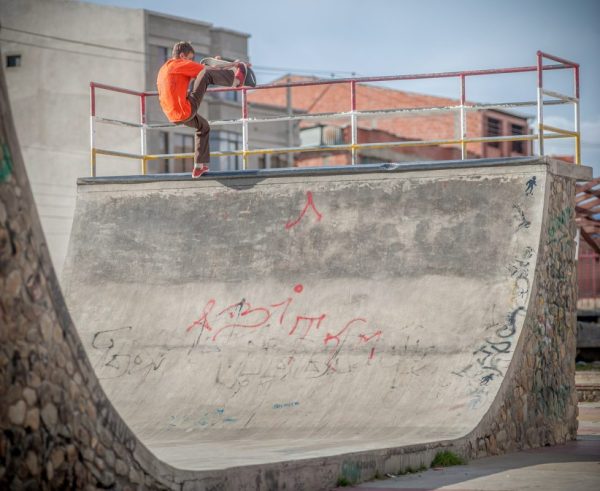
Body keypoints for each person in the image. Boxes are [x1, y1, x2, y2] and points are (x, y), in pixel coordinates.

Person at [156, 41, 249, 178]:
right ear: (182, 56)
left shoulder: (165, 68)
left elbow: (196, 76)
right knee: (206, 74)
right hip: (185, 110)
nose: (190, 61)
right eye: (190, 58)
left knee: (203, 127)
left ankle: (199, 166)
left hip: (172, 115)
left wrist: (216, 67)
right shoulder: (180, 64)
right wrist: (233, 65)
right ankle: (236, 81)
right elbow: (204, 73)